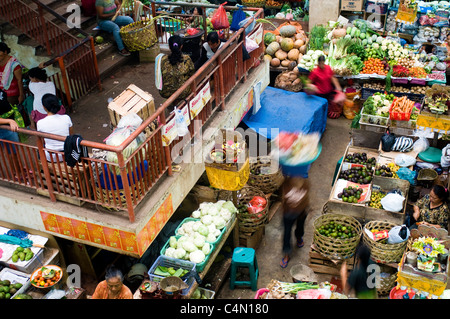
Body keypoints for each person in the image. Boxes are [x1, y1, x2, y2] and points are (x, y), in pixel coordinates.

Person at [280, 176, 309, 268]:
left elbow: (306, 197)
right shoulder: (287, 183)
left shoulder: (305, 182)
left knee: (300, 227)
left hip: (301, 211)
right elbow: (284, 197)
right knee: (287, 233)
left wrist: (302, 206)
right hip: (288, 213)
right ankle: (286, 254)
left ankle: (299, 237)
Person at [156, 35, 195, 103]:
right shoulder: (187, 59)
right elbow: (192, 73)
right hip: (183, 92)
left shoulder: (162, 59)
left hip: (165, 92)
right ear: (181, 46)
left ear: (169, 46)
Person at [36, 94, 73, 162]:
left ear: (44, 107)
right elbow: (71, 135)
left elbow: (41, 141)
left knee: (40, 148)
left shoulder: (40, 123)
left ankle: (45, 168)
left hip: (51, 156)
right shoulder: (66, 118)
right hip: (67, 153)